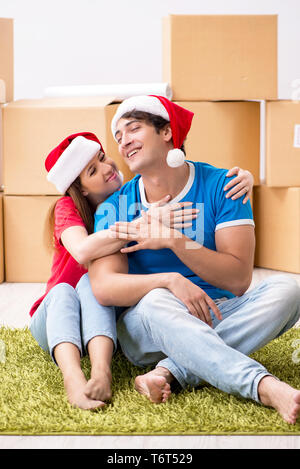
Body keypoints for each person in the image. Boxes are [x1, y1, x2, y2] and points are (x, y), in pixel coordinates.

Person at [89, 95, 300, 425]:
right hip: (149, 324)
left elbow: (238, 279)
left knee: (289, 290)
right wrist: (170, 281)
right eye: (118, 137)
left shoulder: (222, 186)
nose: (124, 141)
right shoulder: (114, 207)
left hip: (217, 312)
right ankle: (262, 385)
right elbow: (104, 287)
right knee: (157, 298)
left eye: (133, 129)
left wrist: (174, 240)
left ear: (167, 133)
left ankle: (171, 370)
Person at [29, 131, 252, 411]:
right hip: (56, 318)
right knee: (71, 289)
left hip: (100, 320)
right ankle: (73, 380)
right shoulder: (68, 207)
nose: (108, 167)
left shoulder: (128, 200)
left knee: (92, 286)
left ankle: (101, 372)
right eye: (93, 171)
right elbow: (83, 250)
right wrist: (145, 222)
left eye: (103, 157)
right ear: (81, 189)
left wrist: (245, 178)